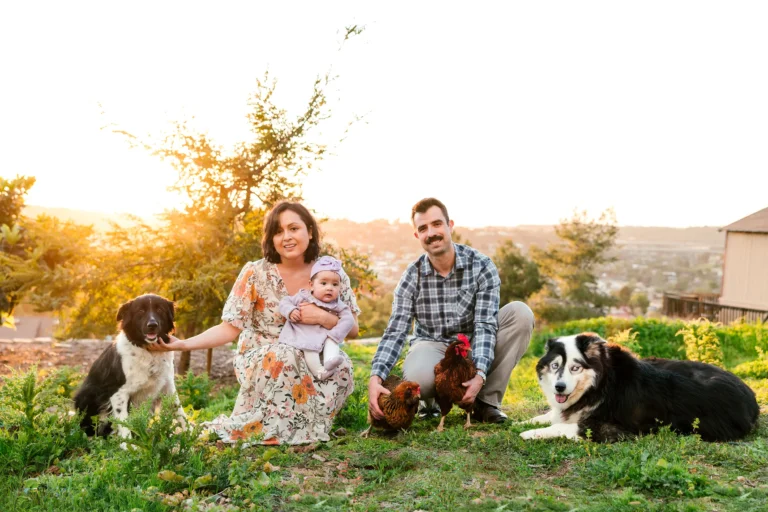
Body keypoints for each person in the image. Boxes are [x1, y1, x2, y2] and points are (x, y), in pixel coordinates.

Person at [150, 201, 360, 445]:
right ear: (271, 239)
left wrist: (323, 318)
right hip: (264, 355)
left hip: (315, 351)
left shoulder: (330, 272)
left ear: (310, 232)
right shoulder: (255, 273)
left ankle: (307, 426)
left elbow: (353, 329)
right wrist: (183, 345)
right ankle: (286, 431)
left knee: (342, 364)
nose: (286, 237)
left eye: (294, 228)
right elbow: (229, 328)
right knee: (287, 354)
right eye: (278, 231)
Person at [368, 197, 534, 425]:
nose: (431, 233)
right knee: (419, 380)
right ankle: (431, 401)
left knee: (521, 314)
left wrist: (480, 374)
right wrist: (375, 376)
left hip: (472, 342)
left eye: (437, 224)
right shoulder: (411, 276)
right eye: (423, 228)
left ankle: (486, 403)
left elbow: (486, 325)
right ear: (417, 236)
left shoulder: (481, 266)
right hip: (431, 343)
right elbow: (396, 331)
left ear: (450, 225)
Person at [278, 255, 354, 380]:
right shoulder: (303, 296)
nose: (329, 288)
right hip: (304, 336)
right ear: (311, 285)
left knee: (333, 343)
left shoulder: (337, 304)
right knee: (310, 353)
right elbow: (285, 302)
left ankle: (330, 361)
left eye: (335, 284)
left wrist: (335, 334)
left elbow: (349, 319)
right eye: (323, 283)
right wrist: (290, 310)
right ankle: (320, 372)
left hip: (326, 338)